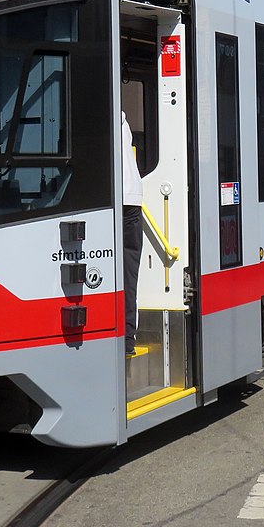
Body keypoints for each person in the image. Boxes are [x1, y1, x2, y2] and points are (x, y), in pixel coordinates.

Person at [121, 111, 143, 358]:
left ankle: (123, 338)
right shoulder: (122, 114)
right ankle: (127, 340)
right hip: (132, 199)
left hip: (117, 200)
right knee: (128, 274)